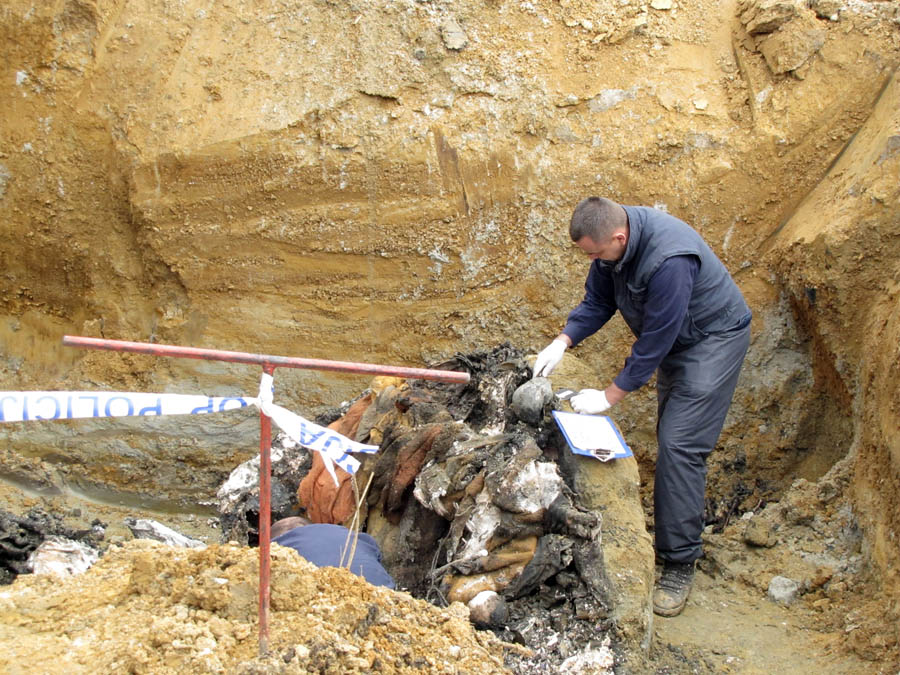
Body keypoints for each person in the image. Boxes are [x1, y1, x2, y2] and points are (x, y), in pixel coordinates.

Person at [533, 197, 751, 617]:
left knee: (679, 444)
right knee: (673, 434)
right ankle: (675, 524)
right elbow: (598, 302)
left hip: (713, 339)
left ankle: (679, 563)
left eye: (596, 254)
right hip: (682, 337)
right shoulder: (612, 245)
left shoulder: (670, 259)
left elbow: (657, 338)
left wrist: (610, 395)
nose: (593, 260)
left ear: (619, 237)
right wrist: (563, 341)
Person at [270, 516, 396, 589]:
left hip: (330, 609)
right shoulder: (349, 534)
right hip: (387, 594)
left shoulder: (276, 548)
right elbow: (375, 553)